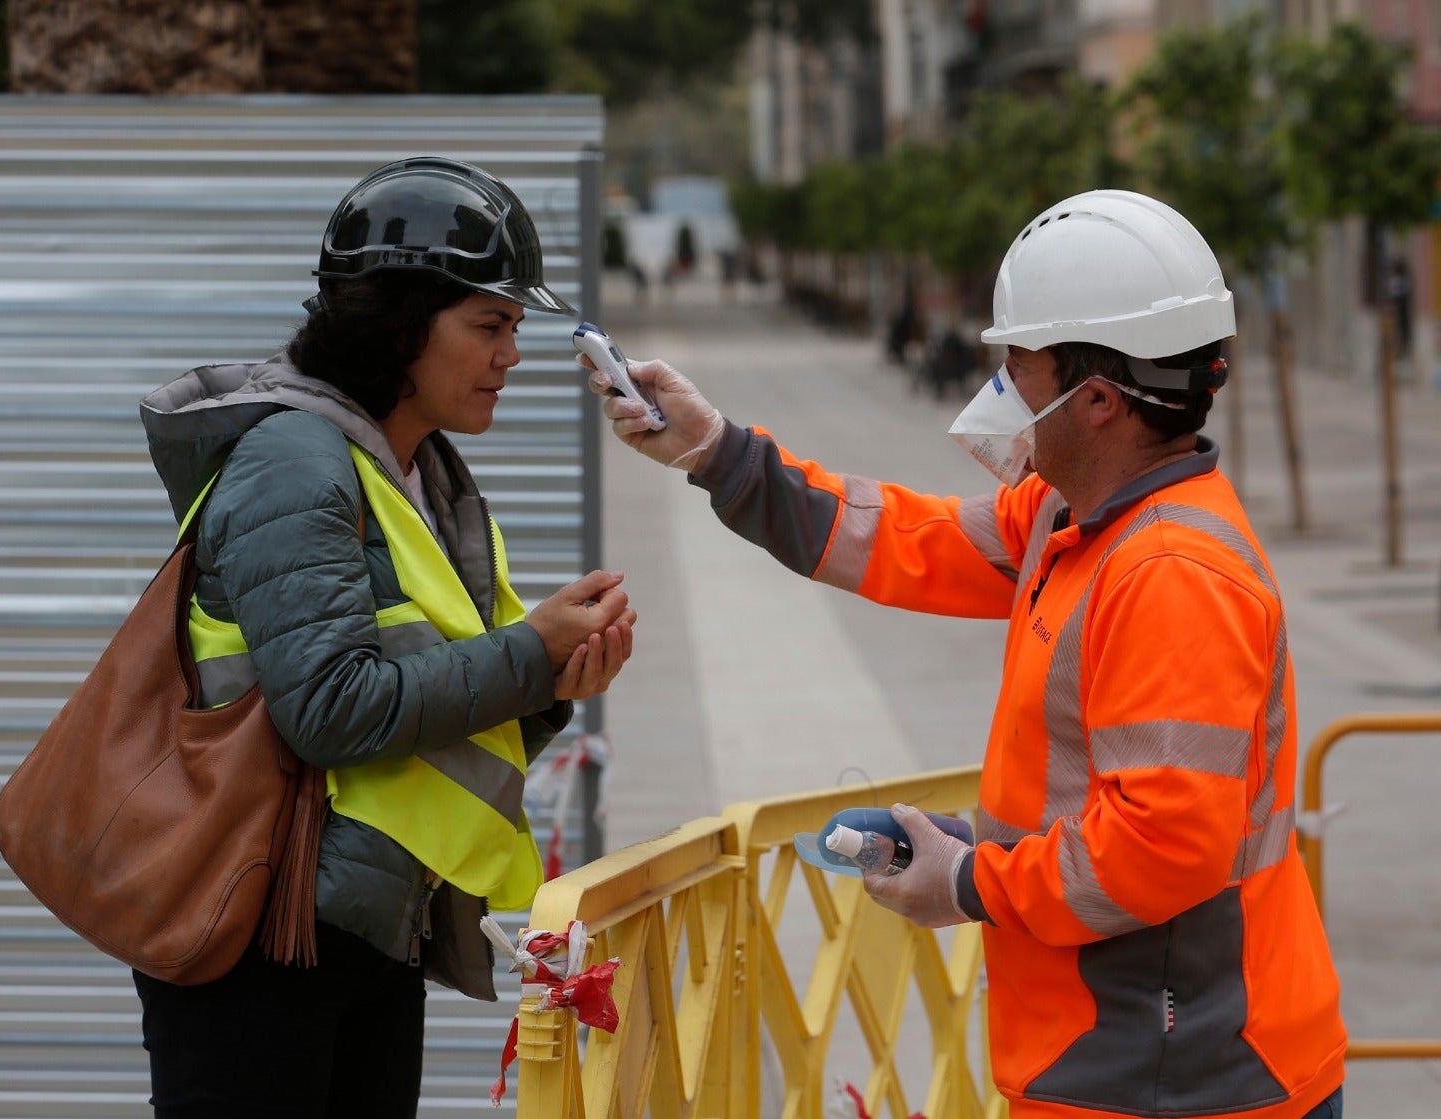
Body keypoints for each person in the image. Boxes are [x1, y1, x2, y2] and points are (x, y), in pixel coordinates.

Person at [588, 190, 1345, 1119]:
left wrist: (965, 879)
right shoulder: (1071, 520)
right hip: (1117, 1046)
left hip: (1176, 1070)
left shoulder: (1171, 574)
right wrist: (720, 453)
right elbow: (910, 541)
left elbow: (1158, 851)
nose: (1001, 389)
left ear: (1099, 400)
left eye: (1019, 364)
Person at [135, 156, 636, 1118]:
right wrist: (527, 655)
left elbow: (441, 711)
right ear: (398, 324)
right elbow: (328, 709)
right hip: (257, 938)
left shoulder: (422, 474)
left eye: (515, 328)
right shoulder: (294, 462)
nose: (512, 355)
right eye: (489, 325)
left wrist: (553, 678)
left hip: (362, 929)